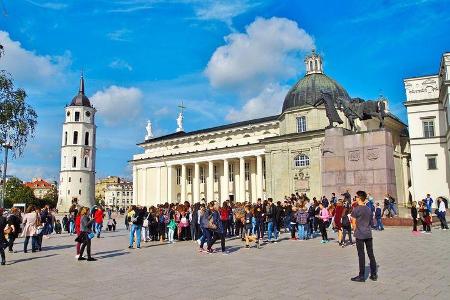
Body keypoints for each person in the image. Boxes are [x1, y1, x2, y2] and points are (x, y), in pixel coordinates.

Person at [350, 191, 377, 282]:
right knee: (371, 254)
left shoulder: (356, 209)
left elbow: (353, 223)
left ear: (359, 198)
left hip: (360, 235)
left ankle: (361, 276)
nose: (355, 198)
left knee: (361, 255)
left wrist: (355, 231)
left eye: (356, 197)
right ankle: (374, 274)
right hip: (368, 234)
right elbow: (372, 222)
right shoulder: (368, 209)